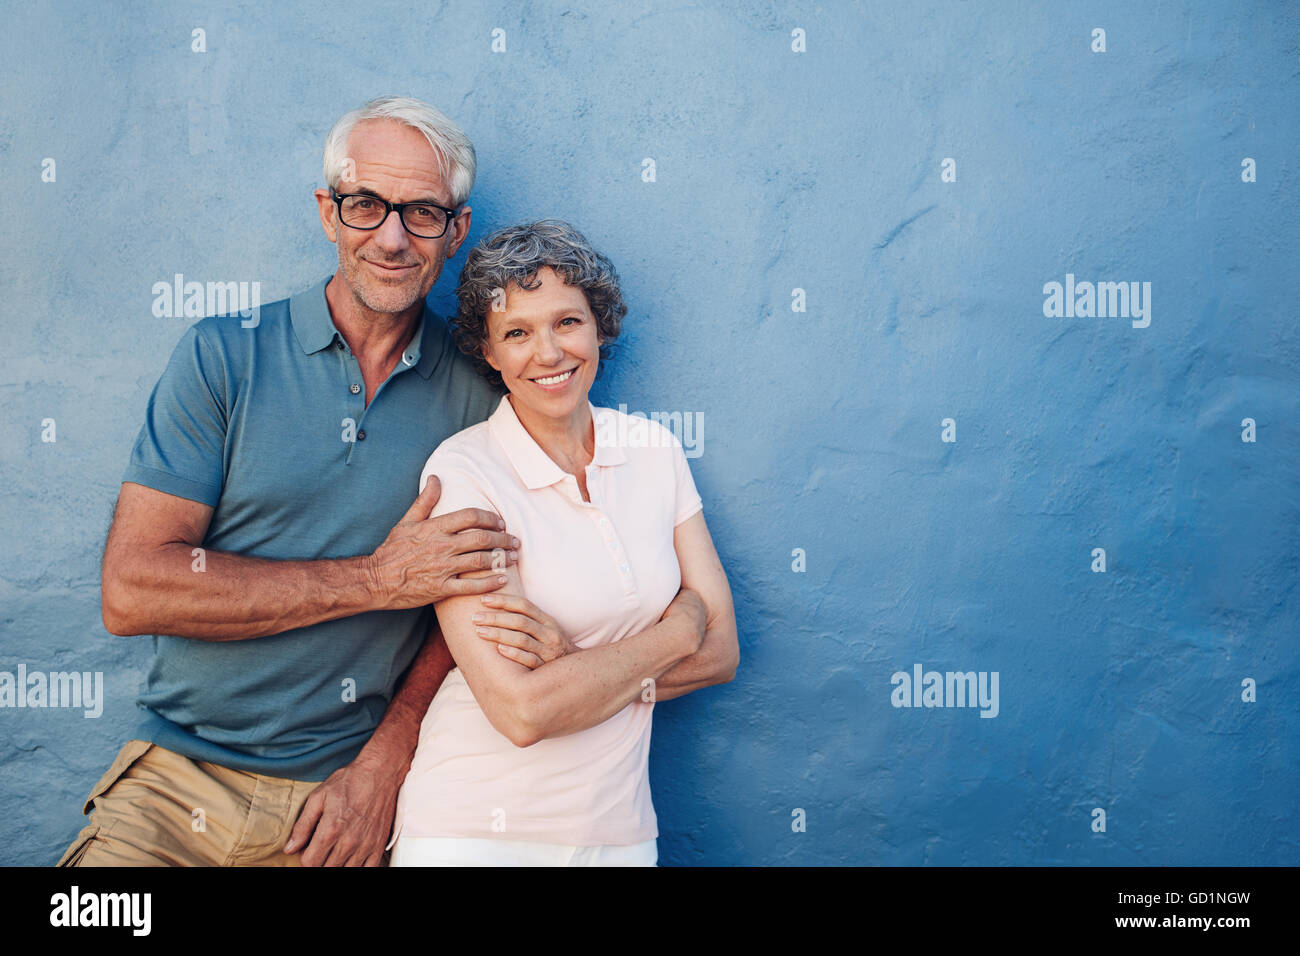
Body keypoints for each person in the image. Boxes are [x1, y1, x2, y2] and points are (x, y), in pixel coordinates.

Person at [57, 96, 531, 867]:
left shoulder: (485, 394)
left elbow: (475, 596)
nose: (391, 237)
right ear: (328, 212)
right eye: (367, 204)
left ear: (457, 231)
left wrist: (389, 756)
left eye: (421, 212)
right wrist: (375, 580)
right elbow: (133, 590)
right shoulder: (223, 357)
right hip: (176, 784)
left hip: (344, 804)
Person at [388, 220, 739, 866]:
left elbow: (723, 654)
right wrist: (677, 630)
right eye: (516, 333)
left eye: (567, 323)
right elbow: (521, 711)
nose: (547, 353)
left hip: (619, 833)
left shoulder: (654, 451)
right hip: (473, 833)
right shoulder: (465, 472)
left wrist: (576, 664)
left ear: (599, 326)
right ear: (488, 353)